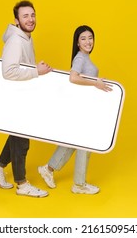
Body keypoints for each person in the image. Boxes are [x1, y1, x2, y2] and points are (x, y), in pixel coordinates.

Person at [0, 0, 52, 197]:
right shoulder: (15, 41)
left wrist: (34, 67)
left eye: (32, 15)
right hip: (15, 99)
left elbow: (22, 65)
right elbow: (8, 72)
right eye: (25, 16)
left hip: (22, 97)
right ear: (16, 20)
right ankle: (22, 184)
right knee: (21, 141)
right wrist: (36, 72)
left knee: (16, 137)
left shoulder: (25, 37)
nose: (30, 19)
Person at [38, 25, 112, 194]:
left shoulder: (85, 58)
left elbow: (82, 80)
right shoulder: (80, 58)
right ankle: (79, 185)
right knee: (85, 146)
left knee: (72, 144)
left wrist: (96, 83)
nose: (88, 41)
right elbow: (73, 77)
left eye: (90, 38)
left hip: (83, 109)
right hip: (81, 111)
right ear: (77, 43)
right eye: (83, 38)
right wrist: (95, 83)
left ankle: (48, 169)